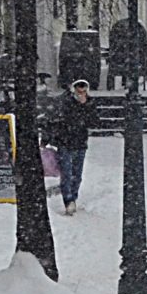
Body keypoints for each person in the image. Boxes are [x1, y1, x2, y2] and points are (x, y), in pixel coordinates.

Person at [48, 78, 96, 215]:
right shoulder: (65, 102)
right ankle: (68, 200)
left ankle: (73, 197)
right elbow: (61, 119)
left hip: (80, 143)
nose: (81, 93)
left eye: (84, 90)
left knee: (77, 174)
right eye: (78, 90)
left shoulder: (90, 103)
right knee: (67, 173)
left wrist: (85, 106)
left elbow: (93, 121)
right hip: (66, 142)